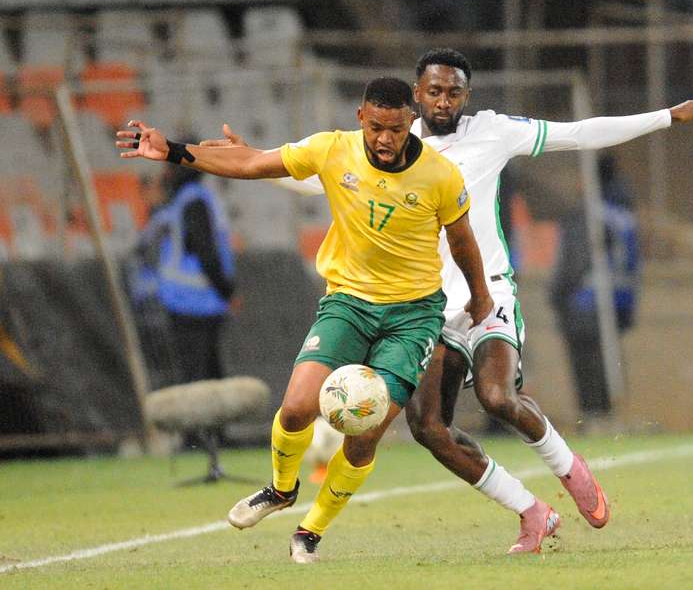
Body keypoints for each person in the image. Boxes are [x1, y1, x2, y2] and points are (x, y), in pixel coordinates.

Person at [201, 48, 693, 553]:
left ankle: (569, 468)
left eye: (453, 92)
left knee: (497, 398)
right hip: (424, 308)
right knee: (429, 427)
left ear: (466, 95)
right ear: (417, 93)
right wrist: (252, 160)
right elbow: (321, 182)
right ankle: (532, 512)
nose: (443, 101)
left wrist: (667, 117)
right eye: (433, 91)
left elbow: (578, 134)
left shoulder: (493, 131)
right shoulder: (389, 141)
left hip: (487, 290)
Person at [115, 77, 494, 564]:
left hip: (412, 316)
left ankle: (309, 532)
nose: (384, 139)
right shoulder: (332, 151)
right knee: (295, 408)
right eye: (376, 127)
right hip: (348, 304)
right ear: (360, 118)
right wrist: (171, 150)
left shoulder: (440, 175)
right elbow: (252, 162)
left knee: (364, 437)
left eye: (396, 129)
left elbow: (462, 241)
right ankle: (280, 489)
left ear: (410, 124)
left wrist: (480, 295)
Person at [549, 154, 639, 426]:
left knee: (587, 365)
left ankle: (594, 419)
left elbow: (575, 260)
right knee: (607, 360)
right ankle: (608, 414)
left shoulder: (588, 213)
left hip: (586, 299)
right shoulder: (623, 212)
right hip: (619, 298)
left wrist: (556, 294)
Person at [136, 158, 235, 384]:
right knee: (204, 377)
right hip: (197, 301)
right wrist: (226, 291)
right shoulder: (195, 200)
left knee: (199, 375)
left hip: (185, 300)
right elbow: (207, 252)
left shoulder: (183, 201)